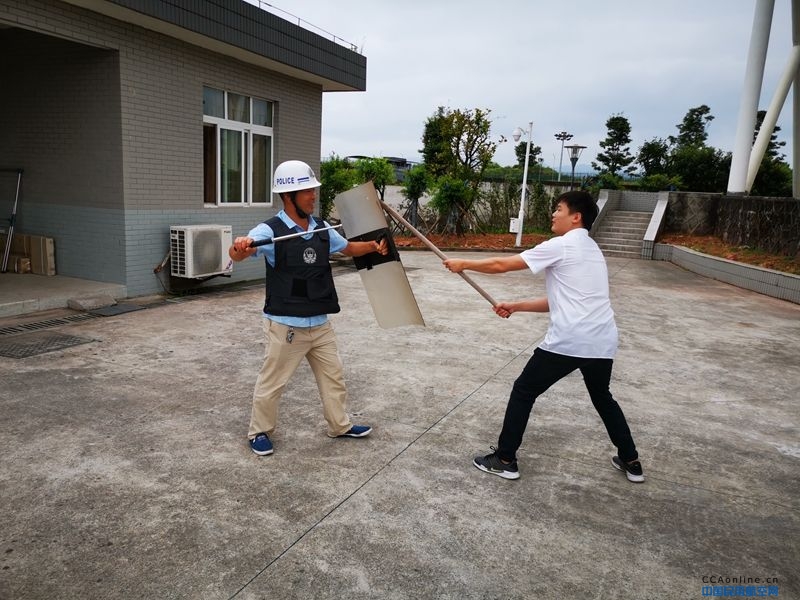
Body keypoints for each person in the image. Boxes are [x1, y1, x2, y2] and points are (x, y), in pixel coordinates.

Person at [443, 190, 644, 483]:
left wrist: (464, 263)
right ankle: (631, 460)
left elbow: (503, 265)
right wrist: (517, 306)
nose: (553, 213)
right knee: (603, 397)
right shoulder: (592, 250)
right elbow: (560, 300)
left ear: (576, 217)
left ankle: (505, 458)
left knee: (524, 390)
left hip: (571, 339)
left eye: (559, 209)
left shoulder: (561, 245)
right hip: (602, 340)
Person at [229, 160, 388, 456]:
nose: (313, 196)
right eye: (306, 191)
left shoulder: (322, 227)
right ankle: (259, 431)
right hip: (286, 326)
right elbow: (239, 253)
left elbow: (347, 247)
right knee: (273, 382)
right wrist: (239, 246)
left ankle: (339, 425)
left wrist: (373, 246)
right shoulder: (270, 230)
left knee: (334, 377)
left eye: (313, 190)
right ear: (288, 196)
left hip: (320, 323)